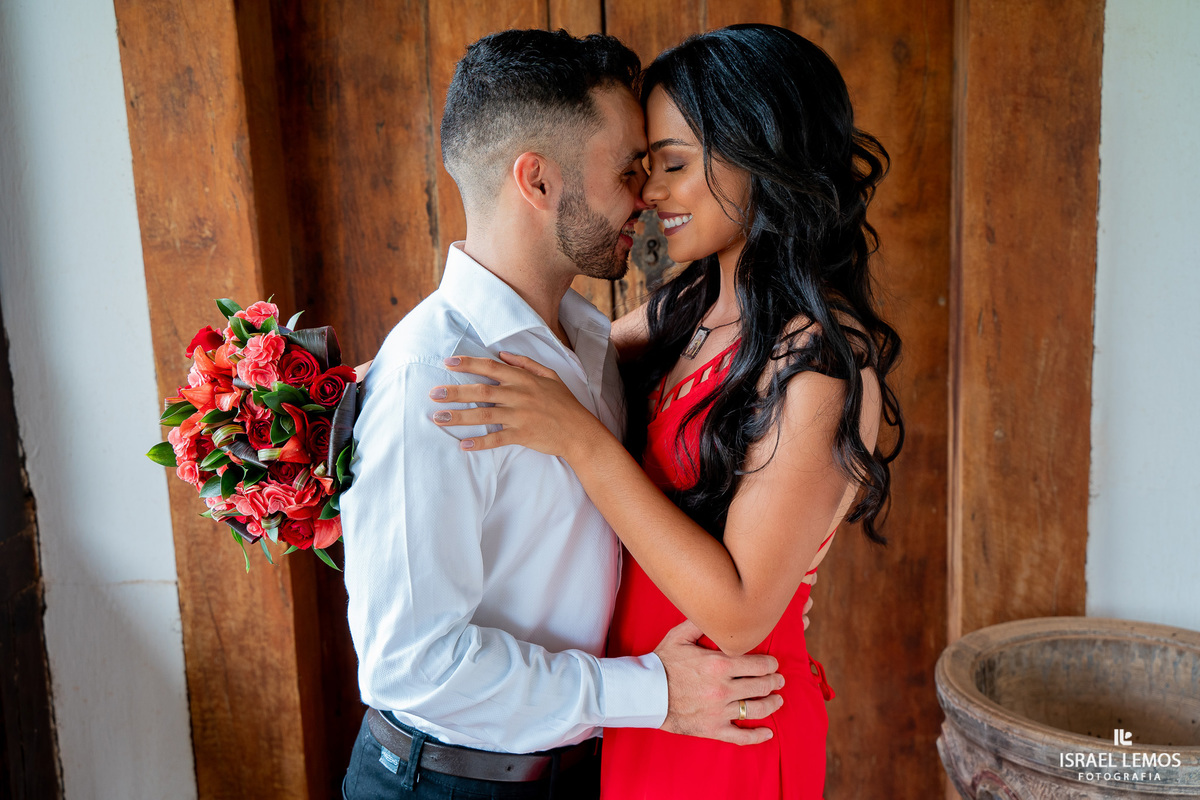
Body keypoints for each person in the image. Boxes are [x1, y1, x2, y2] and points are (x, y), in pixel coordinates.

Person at [430, 24, 904, 799]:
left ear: (763, 158)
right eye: (648, 167)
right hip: (652, 704)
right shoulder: (686, 309)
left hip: (730, 719)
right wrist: (365, 387)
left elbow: (744, 609)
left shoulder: (818, 363)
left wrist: (584, 446)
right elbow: (532, 360)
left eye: (675, 166)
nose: (649, 194)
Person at [339, 29, 789, 800]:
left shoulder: (589, 341)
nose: (643, 198)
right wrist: (651, 694)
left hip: (581, 772)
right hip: (448, 784)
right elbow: (410, 664)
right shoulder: (433, 377)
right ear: (539, 181)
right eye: (626, 169)